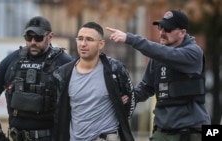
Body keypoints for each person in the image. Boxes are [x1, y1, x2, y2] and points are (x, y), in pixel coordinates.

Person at [106, 9, 211, 141]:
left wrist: (130, 39)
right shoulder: (157, 57)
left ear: (182, 33)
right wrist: (130, 96)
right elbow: (146, 87)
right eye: (161, 28)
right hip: (162, 132)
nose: (162, 32)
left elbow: (166, 54)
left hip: (192, 132)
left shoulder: (193, 52)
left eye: (168, 29)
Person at [0, 16, 73, 141]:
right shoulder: (12, 60)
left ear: (50, 36)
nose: (33, 42)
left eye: (38, 37)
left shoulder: (64, 62)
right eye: (29, 37)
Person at [52, 22, 136, 141]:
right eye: (80, 39)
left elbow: (131, 99)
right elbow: (60, 111)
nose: (83, 44)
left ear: (101, 44)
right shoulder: (64, 73)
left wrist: (121, 110)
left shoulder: (115, 69)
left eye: (89, 39)